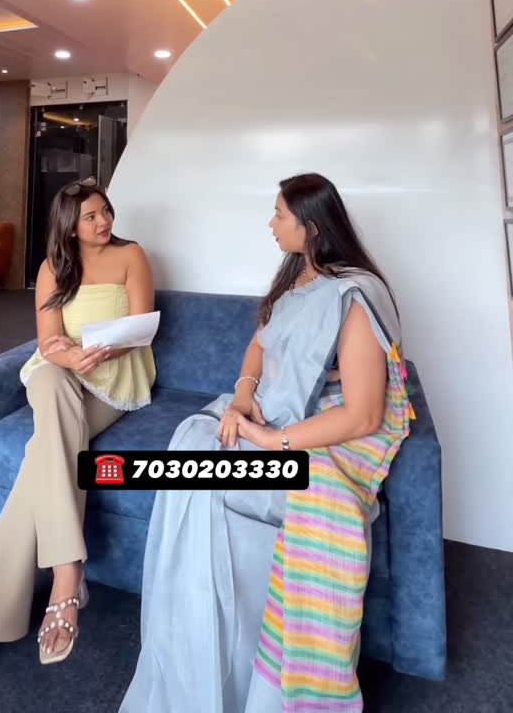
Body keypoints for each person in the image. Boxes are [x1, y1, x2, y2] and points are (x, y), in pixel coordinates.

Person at [118, 172, 413, 713]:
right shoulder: (298, 279)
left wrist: (273, 439)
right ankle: (193, 662)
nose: (270, 224)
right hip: (269, 413)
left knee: (200, 468)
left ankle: (238, 678)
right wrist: (243, 393)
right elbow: (259, 344)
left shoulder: (352, 295)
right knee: (190, 444)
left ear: (312, 225)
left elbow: (365, 414)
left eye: (279, 214)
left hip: (320, 435)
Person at [0, 178, 155, 713]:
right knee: (49, 381)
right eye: (91, 216)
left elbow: (141, 329)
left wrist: (100, 353)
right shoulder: (53, 268)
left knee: (40, 458)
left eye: (106, 211)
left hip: (113, 379)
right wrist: (67, 356)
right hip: (62, 373)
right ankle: (68, 573)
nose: (104, 221)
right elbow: (48, 340)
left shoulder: (132, 255)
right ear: (69, 225)